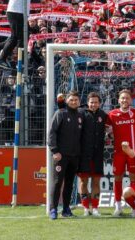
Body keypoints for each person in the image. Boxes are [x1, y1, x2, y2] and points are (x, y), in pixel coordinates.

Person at [106, 89, 135, 216]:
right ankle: (118, 207)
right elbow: (106, 130)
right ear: (118, 100)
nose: (124, 100)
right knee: (118, 178)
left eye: (127, 98)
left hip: (133, 152)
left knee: (133, 178)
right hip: (118, 153)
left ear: (131, 100)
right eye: (122, 98)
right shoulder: (112, 114)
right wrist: (110, 136)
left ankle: (134, 207)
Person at [48, 91, 83, 220]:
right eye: (71, 100)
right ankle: (53, 209)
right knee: (57, 182)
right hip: (61, 156)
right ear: (67, 101)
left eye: (76, 100)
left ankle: (66, 209)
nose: (74, 102)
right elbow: (52, 133)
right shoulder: (60, 113)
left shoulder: (80, 115)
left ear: (79, 101)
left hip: (74, 156)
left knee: (69, 183)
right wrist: (55, 150)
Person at [0, 0, 36, 70]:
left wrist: (42, 1)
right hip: (15, 11)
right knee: (15, 36)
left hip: (22, 13)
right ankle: (1, 59)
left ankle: (20, 61)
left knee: (24, 37)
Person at [77, 92, 108, 216]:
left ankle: (95, 208)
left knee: (96, 182)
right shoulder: (81, 114)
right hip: (83, 154)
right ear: (88, 102)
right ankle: (85, 208)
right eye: (91, 102)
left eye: (96, 102)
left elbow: (110, 129)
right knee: (83, 182)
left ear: (99, 103)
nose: (93, 104)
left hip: (98, 154)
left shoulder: (103, 115)